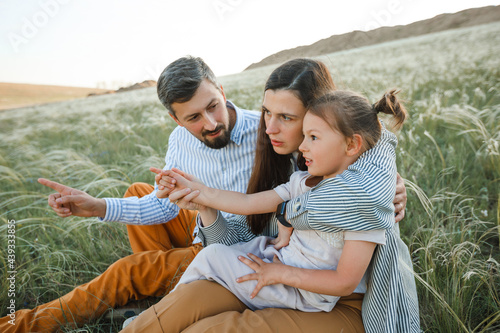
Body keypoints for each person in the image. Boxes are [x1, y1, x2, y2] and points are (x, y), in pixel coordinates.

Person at [0, 58, 407, 333]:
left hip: (267, 258)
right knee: (139, 192)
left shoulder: (338, 162)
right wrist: (101, 207)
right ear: (175, 119)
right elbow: (186, 209)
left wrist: (395, 188)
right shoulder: (201, 140)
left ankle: (24, 323)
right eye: (193, 117)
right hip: (231, 236)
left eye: (288, 118)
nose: (271, 127)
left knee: (132, 270)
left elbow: (366, 172)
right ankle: (156, 299)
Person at [119, 61, 416, 333]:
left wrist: (289, 214)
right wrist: (204, 203)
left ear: (319, 112)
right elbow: (241, 231)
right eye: (266, 112)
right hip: (275, 267)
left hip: (343, 302)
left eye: (286, 117)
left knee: (206, 328)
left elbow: (365, 190)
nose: (269, 128)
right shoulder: (287, 166)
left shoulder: (361, 173)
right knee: (184, 304)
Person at [157, 89, 405, 315]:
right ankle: (164, 312)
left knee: (209, 260)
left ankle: (162, 314)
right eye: (304, 136)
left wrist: (281, 272)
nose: (303, 145)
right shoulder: (303, 182)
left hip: (301, 290)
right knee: (211, 256)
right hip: (278, 258)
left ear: (352, 144)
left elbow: (345, 281)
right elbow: (246, 203)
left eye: (313, 137)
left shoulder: (363, 205)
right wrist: (197, 190)